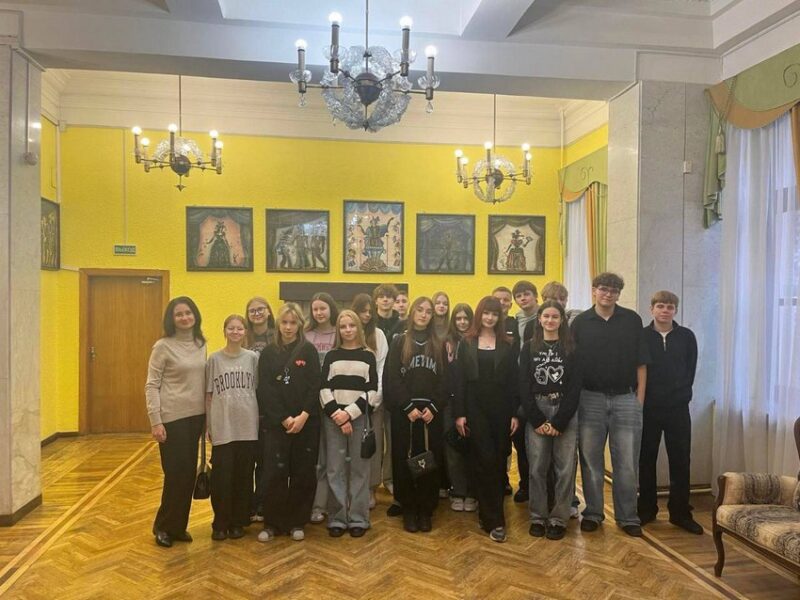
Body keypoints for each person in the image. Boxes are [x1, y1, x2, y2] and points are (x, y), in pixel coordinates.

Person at [572, 272, 650, 537]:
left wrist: (639, 400)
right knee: (591, 460)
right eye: (603, 289)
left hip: (626, 398)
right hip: (589, 398)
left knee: (626, 462)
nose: (608, 294)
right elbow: (573, 365)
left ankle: (628, 517)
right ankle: (593, 513)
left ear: (619, 294)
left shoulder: (632, 320)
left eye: (614, 290)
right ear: (594, 290)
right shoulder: (580, 323)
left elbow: (641, 362)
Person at [454, 296, 520, 542]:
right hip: (475, 408)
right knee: (484, 459)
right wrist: (460, 413)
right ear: (479, 315)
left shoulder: (508, 343)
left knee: (498, 461)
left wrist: (515, 413)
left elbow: (514, 381)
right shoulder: (466, 342)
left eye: (494, 314)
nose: (490, 318)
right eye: (486, 313)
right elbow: (460, 380)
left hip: (501, 409)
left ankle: (488, 512)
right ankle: (494, 520)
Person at [145, 296, 207, 548]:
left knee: (188, 475)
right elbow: (152, 385)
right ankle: (163, 527)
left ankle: (179, 526)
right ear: (172, 319)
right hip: (172, 418)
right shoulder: (162, 346)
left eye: (188, 313)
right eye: (178, 314)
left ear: (195, 316)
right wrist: (155, 421)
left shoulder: (201, 344)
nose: (184, 317)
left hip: (196, 418)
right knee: (174, 474)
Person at [638, 291, 702, 534]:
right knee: (646, 459)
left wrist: (682, 395)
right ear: (652, 309)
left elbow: (690, 369)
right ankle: (646, 509)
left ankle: (680, 512)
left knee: (681, 459)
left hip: (678, 408)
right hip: (649, 408)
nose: (665, 310)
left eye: (670, 307)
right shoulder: (642, 336)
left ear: (675, 310)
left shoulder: (686, 336)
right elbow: (638, 369)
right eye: (661, 306)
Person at [257, 303, 321, 542]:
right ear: (278, 324)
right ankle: (272, 523)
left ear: (300, 325)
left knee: (302, 473)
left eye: (293, 323)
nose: (288, 327)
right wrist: (283, 418)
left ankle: (297, 521)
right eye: (284, 322)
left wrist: (303, 415)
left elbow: (315, 385)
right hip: (277, 424)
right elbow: (265, 389)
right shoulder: (268, 353)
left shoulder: (309, 351)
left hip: (305, 423)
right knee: (274, 473)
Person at [385, 297, 447, 534]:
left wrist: (434, 406)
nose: (423, 314)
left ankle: (425, 508)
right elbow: (392, 378)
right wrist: (407, 406)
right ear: (412, 313)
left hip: (430, 413)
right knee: (404, 460)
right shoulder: (400, 341)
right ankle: (408, 507)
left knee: (428, 462)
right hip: (406, 413)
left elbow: (445, 381)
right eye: (419, 310)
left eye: (428, 311)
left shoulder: (438, 344)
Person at [520, 301, 581, 540]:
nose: (550, 320)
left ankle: (558, 519)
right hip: (538, 408)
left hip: (564, 410)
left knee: (565, 469)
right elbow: (524, 385)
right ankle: (538, 517)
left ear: (562, 320)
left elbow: (575, 387)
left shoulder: (572, 348)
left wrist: (560, 421)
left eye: (555, 317)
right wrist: (537, 420)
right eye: (546, 316)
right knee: (537, 468)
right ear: (539, 319)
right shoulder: (528, 347)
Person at [319, 310, 379, 537]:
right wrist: (337, 414)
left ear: (358, 328)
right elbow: (323, 388)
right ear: (338, 330)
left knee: (360, 469)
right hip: (333, 419)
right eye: (343, 326)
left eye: (351, 326)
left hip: (359, 419)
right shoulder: (331, 356)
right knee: (335, 469)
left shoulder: (368, 356)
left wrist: (349, 414)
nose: (347, 330)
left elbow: (372, 391)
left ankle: (358, 518)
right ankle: (337, 517)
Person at [205, 314, 259, 541]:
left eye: (239, 328)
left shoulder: (253, 358)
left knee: (244, 477)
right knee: (221, 478)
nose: (235, 332)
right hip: (223, 426)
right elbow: (208, 395)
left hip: (247, 426)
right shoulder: (214, 360)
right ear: (224, 331)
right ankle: (220, 522)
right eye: (231, 328)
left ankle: (238, 521)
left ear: (245, 332)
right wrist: (208, 425)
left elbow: (258, 390)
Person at [352, 293, 389, 510]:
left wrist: (376, 397)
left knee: (372, 447)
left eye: (369, 311)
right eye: (362, 311)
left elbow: (382, 368)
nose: (366, 315)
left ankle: (370, 488)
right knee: (351, 447)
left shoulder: (378, 335)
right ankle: (353, 488)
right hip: (349, 402)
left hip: (374, 401)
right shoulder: (348, 332)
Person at [305, 292, 339, 524]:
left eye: (323, 308)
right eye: (315, 309)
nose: (319, 313)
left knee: (334, 456)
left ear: (331, 309)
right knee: (315, 456)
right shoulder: (306, 335)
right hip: (310, 402)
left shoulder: (340, 332)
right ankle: (315, 504)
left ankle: (332, 504)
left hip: (335, 401)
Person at [244, 296, 276, 523]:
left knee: (266, 458)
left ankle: (263, 502)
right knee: (248, 457)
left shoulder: (277, 335)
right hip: (245, 401)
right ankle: (247, 504)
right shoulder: (243, 335)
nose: (256, 313)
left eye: (260, 309)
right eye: (252, 310)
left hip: (269, 403)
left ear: (268, 311)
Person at [444, 303, 477, 512]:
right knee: (453, 448)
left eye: (466, 318)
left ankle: (472, 492)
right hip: (449, 402)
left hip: (472, 402)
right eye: (458, 318)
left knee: (472, 447)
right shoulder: (445, 343)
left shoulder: (476, 341)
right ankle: (457, 490)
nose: (462, 322)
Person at [509, 280, 539, 503]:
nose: (523, 298)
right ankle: (525, 485)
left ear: (535, 295)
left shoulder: (545, 317)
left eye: (526, 294)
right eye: (518, 296)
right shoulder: (515, 321)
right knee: (520, 441)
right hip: (519, 385)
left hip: (540, 384)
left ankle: (542, 489)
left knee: (540, 444)